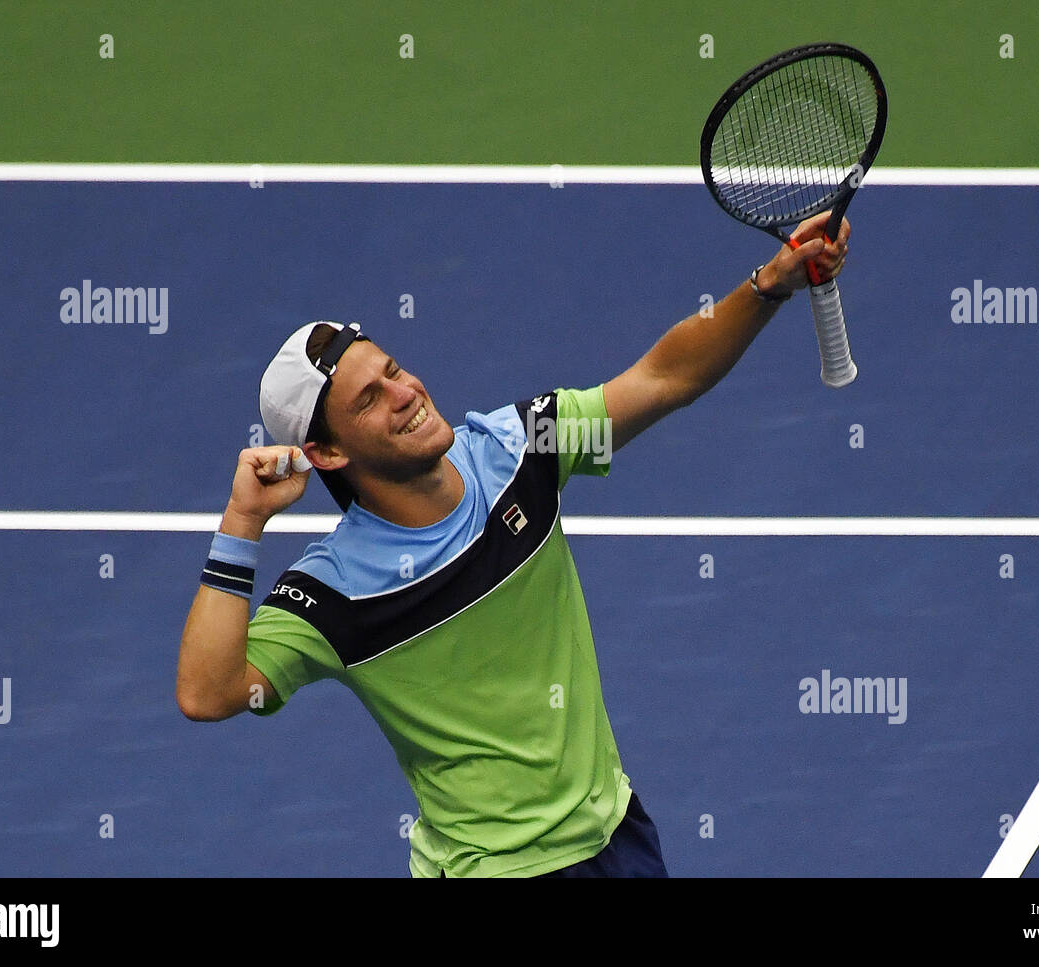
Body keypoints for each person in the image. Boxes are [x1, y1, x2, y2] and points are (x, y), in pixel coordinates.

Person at [175, 211, 849, 877]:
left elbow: (664, 378)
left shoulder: (519, 445)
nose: (405, 393)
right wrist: (242, 521)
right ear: (324, 451)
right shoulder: (334, 593)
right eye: (370, 400)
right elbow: (209, 692)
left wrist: (770, 284)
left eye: (394, 369)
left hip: (616, 834)